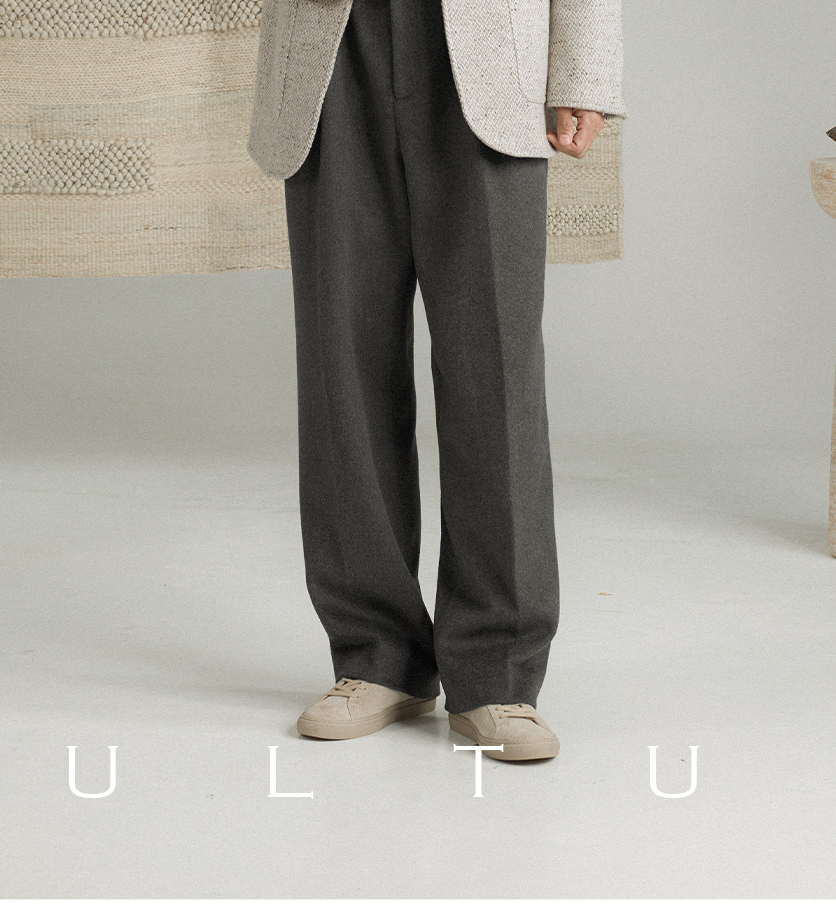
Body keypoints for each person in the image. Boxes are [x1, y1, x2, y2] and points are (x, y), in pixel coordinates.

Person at [246, 0, 625, 761]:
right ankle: (375, 657)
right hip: (333, 44)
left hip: (490, 48)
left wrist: (583, 70)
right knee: (342, 363)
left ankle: (498, 673)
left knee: (495, 370)